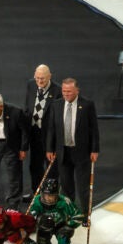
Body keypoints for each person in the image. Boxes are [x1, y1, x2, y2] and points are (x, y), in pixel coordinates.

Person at [45, 78, 99, 225]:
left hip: (82, 153)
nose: (66, 94)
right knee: (67, 187)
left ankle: (85, 216)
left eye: (69, 91)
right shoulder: (56, 105)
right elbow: (51, 129)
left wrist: (95, 149)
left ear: (77, 91)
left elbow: (94, 129)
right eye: (64, 91)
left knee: (83, 187)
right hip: (63, 152)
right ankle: (69, 214)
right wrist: (49, 148)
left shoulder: (87, 105)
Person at [25, 178, 82, 244]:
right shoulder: (36, 201)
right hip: (44, 228)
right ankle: (25, 241)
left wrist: (69, 225)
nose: (48, 198)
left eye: (52, 195)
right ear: (42, 193)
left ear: (57, 194)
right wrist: (39, 219)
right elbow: (31, 214)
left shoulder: (65, 201)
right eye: (46, 195)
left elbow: (79, 215)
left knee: (64, 240)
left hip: (60, 226)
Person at [24, 64, 61, 199]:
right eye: (38, 78)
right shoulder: (31, 85)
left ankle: (51, 195)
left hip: (49, 135)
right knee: (35, 165)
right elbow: (28, 105)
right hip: (34, 132)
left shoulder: (58, 91)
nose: (40, 82)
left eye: (43, 79)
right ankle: (36, 193)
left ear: (49, 77)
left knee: (51, 167)